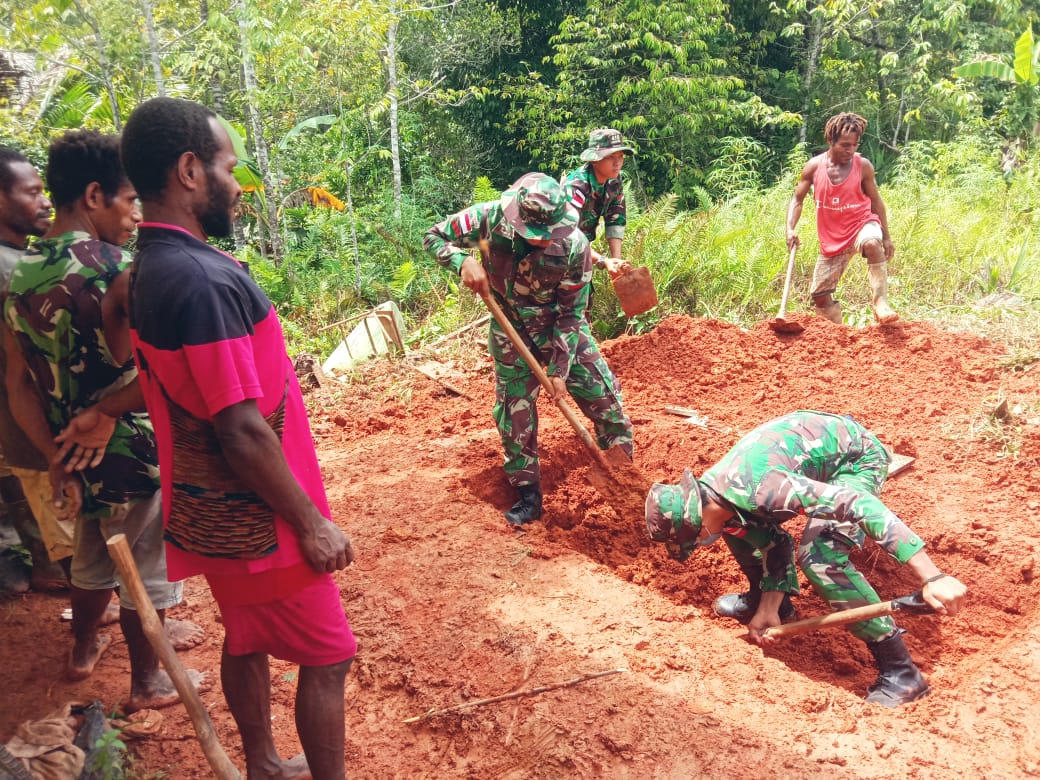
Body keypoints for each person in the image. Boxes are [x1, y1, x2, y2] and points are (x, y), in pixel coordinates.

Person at [116, 96, 356, 780]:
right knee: (329, 655)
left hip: (210, 516)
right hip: (260, 520)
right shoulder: (203, 283)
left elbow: (169, 384)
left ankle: (263, 765)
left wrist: (101, 407)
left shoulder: (151, 270)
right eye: (228, 166)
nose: (236, 182)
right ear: (191, 171)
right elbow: (240, 427)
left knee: (246, 637)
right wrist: (310, 522)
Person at [3, 131, 207, 710]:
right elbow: (161, 373)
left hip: (68, 447)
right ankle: (149, 679)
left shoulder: (19, 276)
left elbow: (19, 387)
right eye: (127, 201)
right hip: (129, 447)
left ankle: (82, 649)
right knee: (146, 564)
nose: (133, 215)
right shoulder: (119, 270)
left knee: (93, 556)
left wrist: (54, 454)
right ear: (95, 196)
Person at [644, 410, 967, 707]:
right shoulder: (716, 498)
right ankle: (769, 603)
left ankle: (902, 673)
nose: (700, 544)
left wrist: (932, 577)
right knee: (736, 529)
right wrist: (769, 609)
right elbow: (775, 543)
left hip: (854, 458)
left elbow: (859, 504)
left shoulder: (763, 491)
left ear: (696, 526)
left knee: (819, 555)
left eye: (692, 541)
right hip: (807, 459)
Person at [424, 172, 634, 525]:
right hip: (511, 332)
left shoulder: (574, 246)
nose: (541, 241)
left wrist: (559, 372)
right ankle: (529, 498)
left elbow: (571, 314)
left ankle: (626, 487)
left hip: (560, 332)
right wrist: (462, 260)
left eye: (547, 234)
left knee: (607, 403)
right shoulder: (488, 218)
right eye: (532, 236)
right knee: (514, 414)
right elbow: (433, 235)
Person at [0, 146, 70, 594]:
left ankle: (47, 567)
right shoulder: (13, 270)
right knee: (61, 512)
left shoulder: (19, 259)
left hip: (15, 418)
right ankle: (89, 603)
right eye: (33, 192)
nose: (45, 201)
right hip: (26, 415)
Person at [786, 112, 899, 325]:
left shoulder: (862, 166)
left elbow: (876, 201)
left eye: (854, 145)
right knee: (820, 296)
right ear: (830, 140)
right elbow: (797, 199)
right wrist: (790, 228)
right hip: (832, 238)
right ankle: (838, 335)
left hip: (861, 225)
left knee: (872, 243)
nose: (850, 150)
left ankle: (881, 303)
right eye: (845, 145)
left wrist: (887, 237)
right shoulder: (814, 167)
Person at [561, 128, 634, 278]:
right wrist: (603, 260)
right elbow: (568, 235)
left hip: (582, 251)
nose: (617, 163)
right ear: (594, 160)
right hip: (558, 253)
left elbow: (616, 217)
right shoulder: (576, 187)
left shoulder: (614, 180)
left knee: (584, 297)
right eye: (610, 157)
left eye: (620, 156)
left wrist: (617, 261)